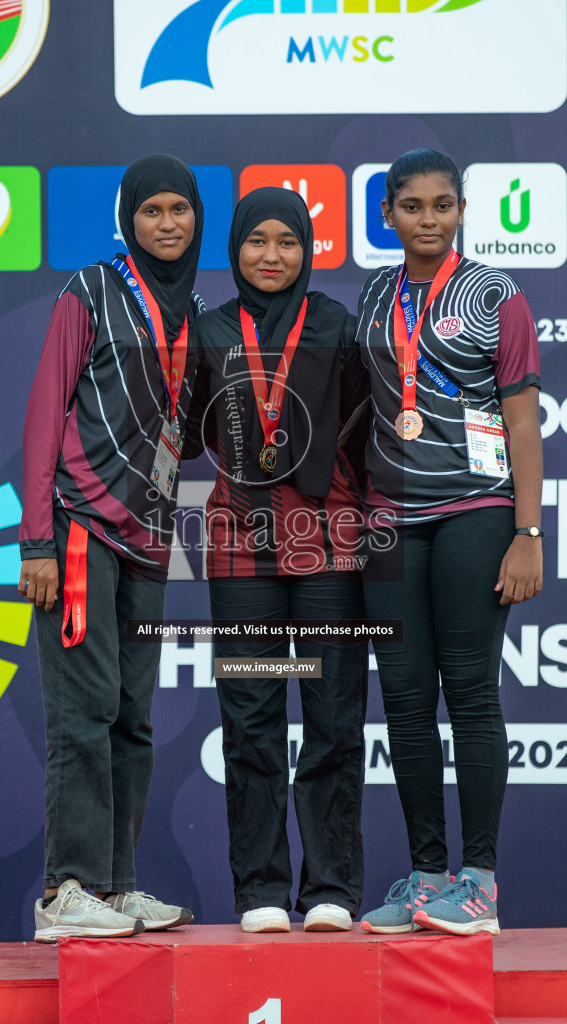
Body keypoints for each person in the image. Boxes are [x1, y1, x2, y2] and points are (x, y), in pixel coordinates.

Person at [354, 149, 543, 937]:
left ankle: (480, 882)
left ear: (462, 210)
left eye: (442, 205)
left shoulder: (498, 295)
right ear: (388, 215)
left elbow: (524, 421)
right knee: (402, 704)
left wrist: (528, 533)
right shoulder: (372, 296)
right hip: (389, 520)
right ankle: (428, 877)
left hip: (475, 514)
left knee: (469, 694)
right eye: (411, 206)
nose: (427, 219)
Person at [19, 155, 205, 942]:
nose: (168, 223)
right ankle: (68, 890)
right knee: (83, 713)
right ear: (130, 219)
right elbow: (42, 413)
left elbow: (185, 439)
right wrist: (36, 540)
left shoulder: (193, 312)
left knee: (133, 716)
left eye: (181, 211)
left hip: (150, 540)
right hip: (79, 530)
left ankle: (117, 887)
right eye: (153, 210)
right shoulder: (89, 292)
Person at [185, 187, 370, 933]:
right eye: (256, 241)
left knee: (331, 717)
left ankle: (331, 888)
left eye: (287, 241)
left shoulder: (336, 324)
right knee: (252, 719)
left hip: (329, 546)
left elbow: (366, 427)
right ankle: (259, 888)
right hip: (241, 553)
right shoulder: (210, 330)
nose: (271, 255)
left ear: (308, 249)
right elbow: (196, 431)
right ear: (234, 250)